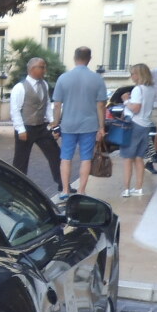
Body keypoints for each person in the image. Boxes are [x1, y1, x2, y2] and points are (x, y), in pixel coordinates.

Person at [51, 46, 108, 199]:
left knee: (66, 157)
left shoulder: (63, 78)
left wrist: (56, 123)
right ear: (89, 59)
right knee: (85, 158)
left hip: (68, 125)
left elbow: (57, 105)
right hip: (89, 125)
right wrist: (101, 127)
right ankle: (81, 190)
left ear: (74, 58)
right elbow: (101, 105)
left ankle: (65, 190)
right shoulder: (97, 79)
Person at [10, 57, 61, 186]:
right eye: (42, 67)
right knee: (21, 161)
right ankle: (17, 187)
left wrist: (52, 122)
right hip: (26, 128)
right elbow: (15, 110)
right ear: (33, 69)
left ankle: (62, 183)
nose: (45, 70)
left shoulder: (44, 84)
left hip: (42, 128)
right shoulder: (19, 87)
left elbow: (47, 104)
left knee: (55, 154)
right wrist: (20, 130)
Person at [119, 63, 157, 198]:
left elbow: (135, 108)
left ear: (139, 74)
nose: (132, 76)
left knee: (127, 158)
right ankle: (139, 188)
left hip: (134, 125)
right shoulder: (151, 89)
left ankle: (126, 189)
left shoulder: (138, 89)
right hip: (145, 125)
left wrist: (125, 101)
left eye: (133, 73)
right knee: (139, 158)